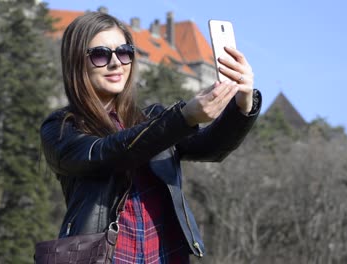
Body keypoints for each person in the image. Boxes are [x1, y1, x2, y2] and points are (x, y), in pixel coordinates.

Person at [40, 11, 262, 263]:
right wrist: (183, 117)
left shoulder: (152, 119)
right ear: (76, 61)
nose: (116, 63)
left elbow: (210, 147)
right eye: (101, 54)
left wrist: (243, 103)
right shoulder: (61, 127)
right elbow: (106, 154)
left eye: (124, 52)